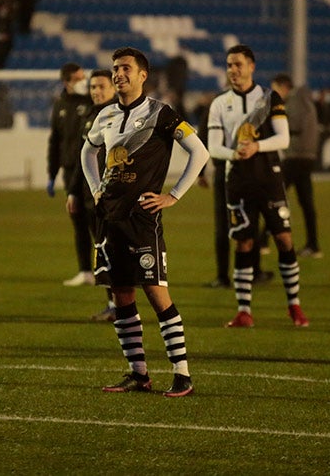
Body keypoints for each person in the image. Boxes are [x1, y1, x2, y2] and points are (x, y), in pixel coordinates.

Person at [80, 47, 209, 397]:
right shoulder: (105, 115)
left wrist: (174, 195)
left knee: (155, 292)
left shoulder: (161, 114)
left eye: (125, 68)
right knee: (121, 294)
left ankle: (182, 374)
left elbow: (200, 152)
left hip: (142, 218)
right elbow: (87, 151)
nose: (118, 74)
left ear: (142, 75)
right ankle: (139, 374)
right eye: (114, 69)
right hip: (109, 218)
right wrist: (95, 189)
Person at [208, 45, 309, 328]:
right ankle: (244, 311)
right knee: (244, 242)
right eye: (229, 65)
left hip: (269, 179)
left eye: (238, 64)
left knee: (284, 239)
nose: (233, 70)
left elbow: (283, 139)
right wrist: (234, 154)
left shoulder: (269, 98)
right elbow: (213, 147)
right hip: (237, 181)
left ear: (251, 66)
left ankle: (294, 306)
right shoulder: (219, 104)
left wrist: (256, 146)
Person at [66, 69, 118, 321]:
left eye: (101, 87)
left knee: (113, 251)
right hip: (89, 194)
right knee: (103, 251)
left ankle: (121, 306)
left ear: (113, 88)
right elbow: (81, 158)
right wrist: (73, 192)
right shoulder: (90, 115)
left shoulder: (118, 116)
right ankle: (113, 304)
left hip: (110, 196)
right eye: (93, 87)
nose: (96, 91)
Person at [47, 61, 94, 286]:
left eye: (84, 77)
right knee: (78, 223)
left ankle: (105, 271)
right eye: (78, 78)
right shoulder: (59, 106)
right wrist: (51, 173)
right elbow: (55, 140)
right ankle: (85, 271)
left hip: (90, 172)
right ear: (66, 82)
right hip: (69, 172)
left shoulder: (91, 103)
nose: (84, 82)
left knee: (97, 223)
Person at [271, 73, 323, 259]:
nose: (275, 94)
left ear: (284, 87)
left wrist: (273, 125)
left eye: (275, 89)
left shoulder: (295, 101)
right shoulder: (304, 99)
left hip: (296, 157)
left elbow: (293, 124)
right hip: (306, 156)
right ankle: (313, 244)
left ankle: (261, 241)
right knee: (306, 202)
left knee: (274, 196)